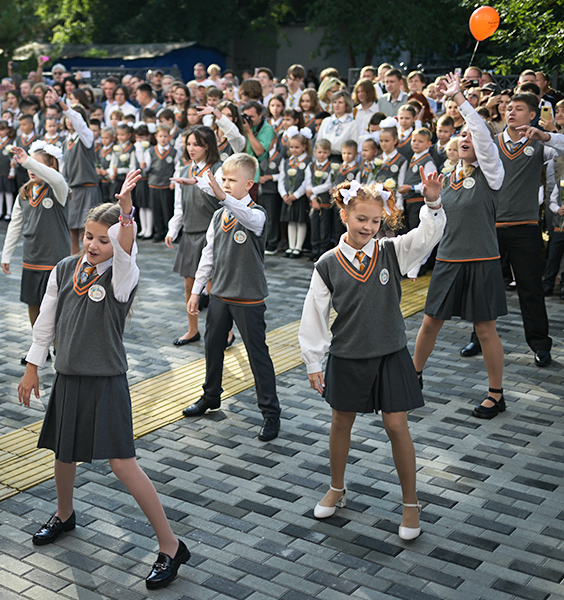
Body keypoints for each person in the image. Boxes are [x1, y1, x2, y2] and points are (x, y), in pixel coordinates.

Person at [18, 170, 189, 590]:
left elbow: (127, 252)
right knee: (63, 452)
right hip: (69, 378)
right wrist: (32, 365)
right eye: (90, 236)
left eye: (103, 239)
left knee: (121, 463)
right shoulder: (63, 268)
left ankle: (171, 544)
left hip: (107, 379)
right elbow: (45, 321)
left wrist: (126, 214)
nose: (93, 245)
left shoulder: (122, 277)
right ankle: (64, 514)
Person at [300, 176, 445, 541]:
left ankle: (411, 503)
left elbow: (427, 236)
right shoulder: (328, 263)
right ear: (345, 214)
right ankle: (337, 487)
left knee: (397, 426)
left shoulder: (391, 251)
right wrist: (313, 361)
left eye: (376, 221)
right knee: (340, 423)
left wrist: (432, 205)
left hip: (391, 353)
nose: (369, 227)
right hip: (348, 355)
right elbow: (313, 314)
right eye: (361, 218)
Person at [412, 72, 509, 419]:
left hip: (482, 259)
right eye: (462, 135)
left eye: (471, 134)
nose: (467, 138)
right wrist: (433, 201)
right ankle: (414, 377)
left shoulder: (491, 172)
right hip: (449, 260)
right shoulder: (447, 175)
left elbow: (483, 135)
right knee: (429, 322)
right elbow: (435, 221)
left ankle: (496, 394)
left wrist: (460, 100)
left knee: (485, 329)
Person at [458, 91, 564, 366]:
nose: (511, 112)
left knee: (531, 289)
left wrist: (547, 135)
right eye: (508, 108)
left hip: (525, 228)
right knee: (483, 287)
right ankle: (477, 337)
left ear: (532, 114)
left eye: (518, 108)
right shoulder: (490, 143)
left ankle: (540, 344)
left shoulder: (540, 143)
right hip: (489, 226)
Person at [180, 154, 281, 441]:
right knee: (212, 348)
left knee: (257, 354)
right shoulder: (218, 215)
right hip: (221, 294)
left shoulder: (256, 214)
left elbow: (246, 216)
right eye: (222, 179)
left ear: (249, 184)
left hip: (248, 297)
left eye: (231, 181)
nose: (224, 185)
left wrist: (223, 196)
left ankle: (271, 413)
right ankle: (210, 396)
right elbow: (208, 256)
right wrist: (197, 291)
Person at [1, 143, 70, 363]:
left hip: (54, 259)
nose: (32, 169)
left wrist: (28, 160)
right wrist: (6, 254)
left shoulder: (58, 189)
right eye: (30, 164)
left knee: (56, 305)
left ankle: (60, 349)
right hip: (31, 258)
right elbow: (15, 223)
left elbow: (57, 178)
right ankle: (40, 348)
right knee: (33, 304)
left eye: (39, 165)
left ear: (51, 166)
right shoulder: (24, 192)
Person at [165, 126, 222, 346]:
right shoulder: (183, 169)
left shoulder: (217, 168)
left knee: (213, 286)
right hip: (189, 233)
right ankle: (192, 329)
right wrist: (173, 230)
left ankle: (224, 332)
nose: (191, 148)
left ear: (208, 145)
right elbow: (179, 206)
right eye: (188, 144)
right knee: (190, 285)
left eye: (196, 144)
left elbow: (220, 195)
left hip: (213, 233)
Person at [48, 89, 101, 254]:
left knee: (88, 230)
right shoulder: (65, 142)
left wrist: (62, 104)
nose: (69, 121)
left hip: (87, 187)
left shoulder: (86, 137)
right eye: (66, 119)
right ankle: (73, 259)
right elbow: (62, 168)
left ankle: (88, 260)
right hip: (72, 189)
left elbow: (78, 121)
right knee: (71, 227)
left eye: (71, 118)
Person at [278, 126, 312, 258]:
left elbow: (306, 181)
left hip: (299, 197)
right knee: (290, 221)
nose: (294, 150)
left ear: (304, 147)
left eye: (297, 147)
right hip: (287, 196)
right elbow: (282, 178)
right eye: (291, 147)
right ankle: (291, 246)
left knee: (300, 221)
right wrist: (284, 194)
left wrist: (296, 195)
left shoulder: (308, 162)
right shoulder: (286, 161)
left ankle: (299, 247)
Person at [306, 139, 335, 261]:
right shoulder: (310, 166)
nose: (322, 154)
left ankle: (322, 252)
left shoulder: (332, 167)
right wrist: (312, 198)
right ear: (315, 152)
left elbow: (328, 184)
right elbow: (308, 184)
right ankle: (314, 250)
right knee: (314, 228)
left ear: (329, 153)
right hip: (314, 203)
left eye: (324, 152)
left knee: (324, 228)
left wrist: (314, 191)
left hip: (325, 203)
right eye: (319, 152)